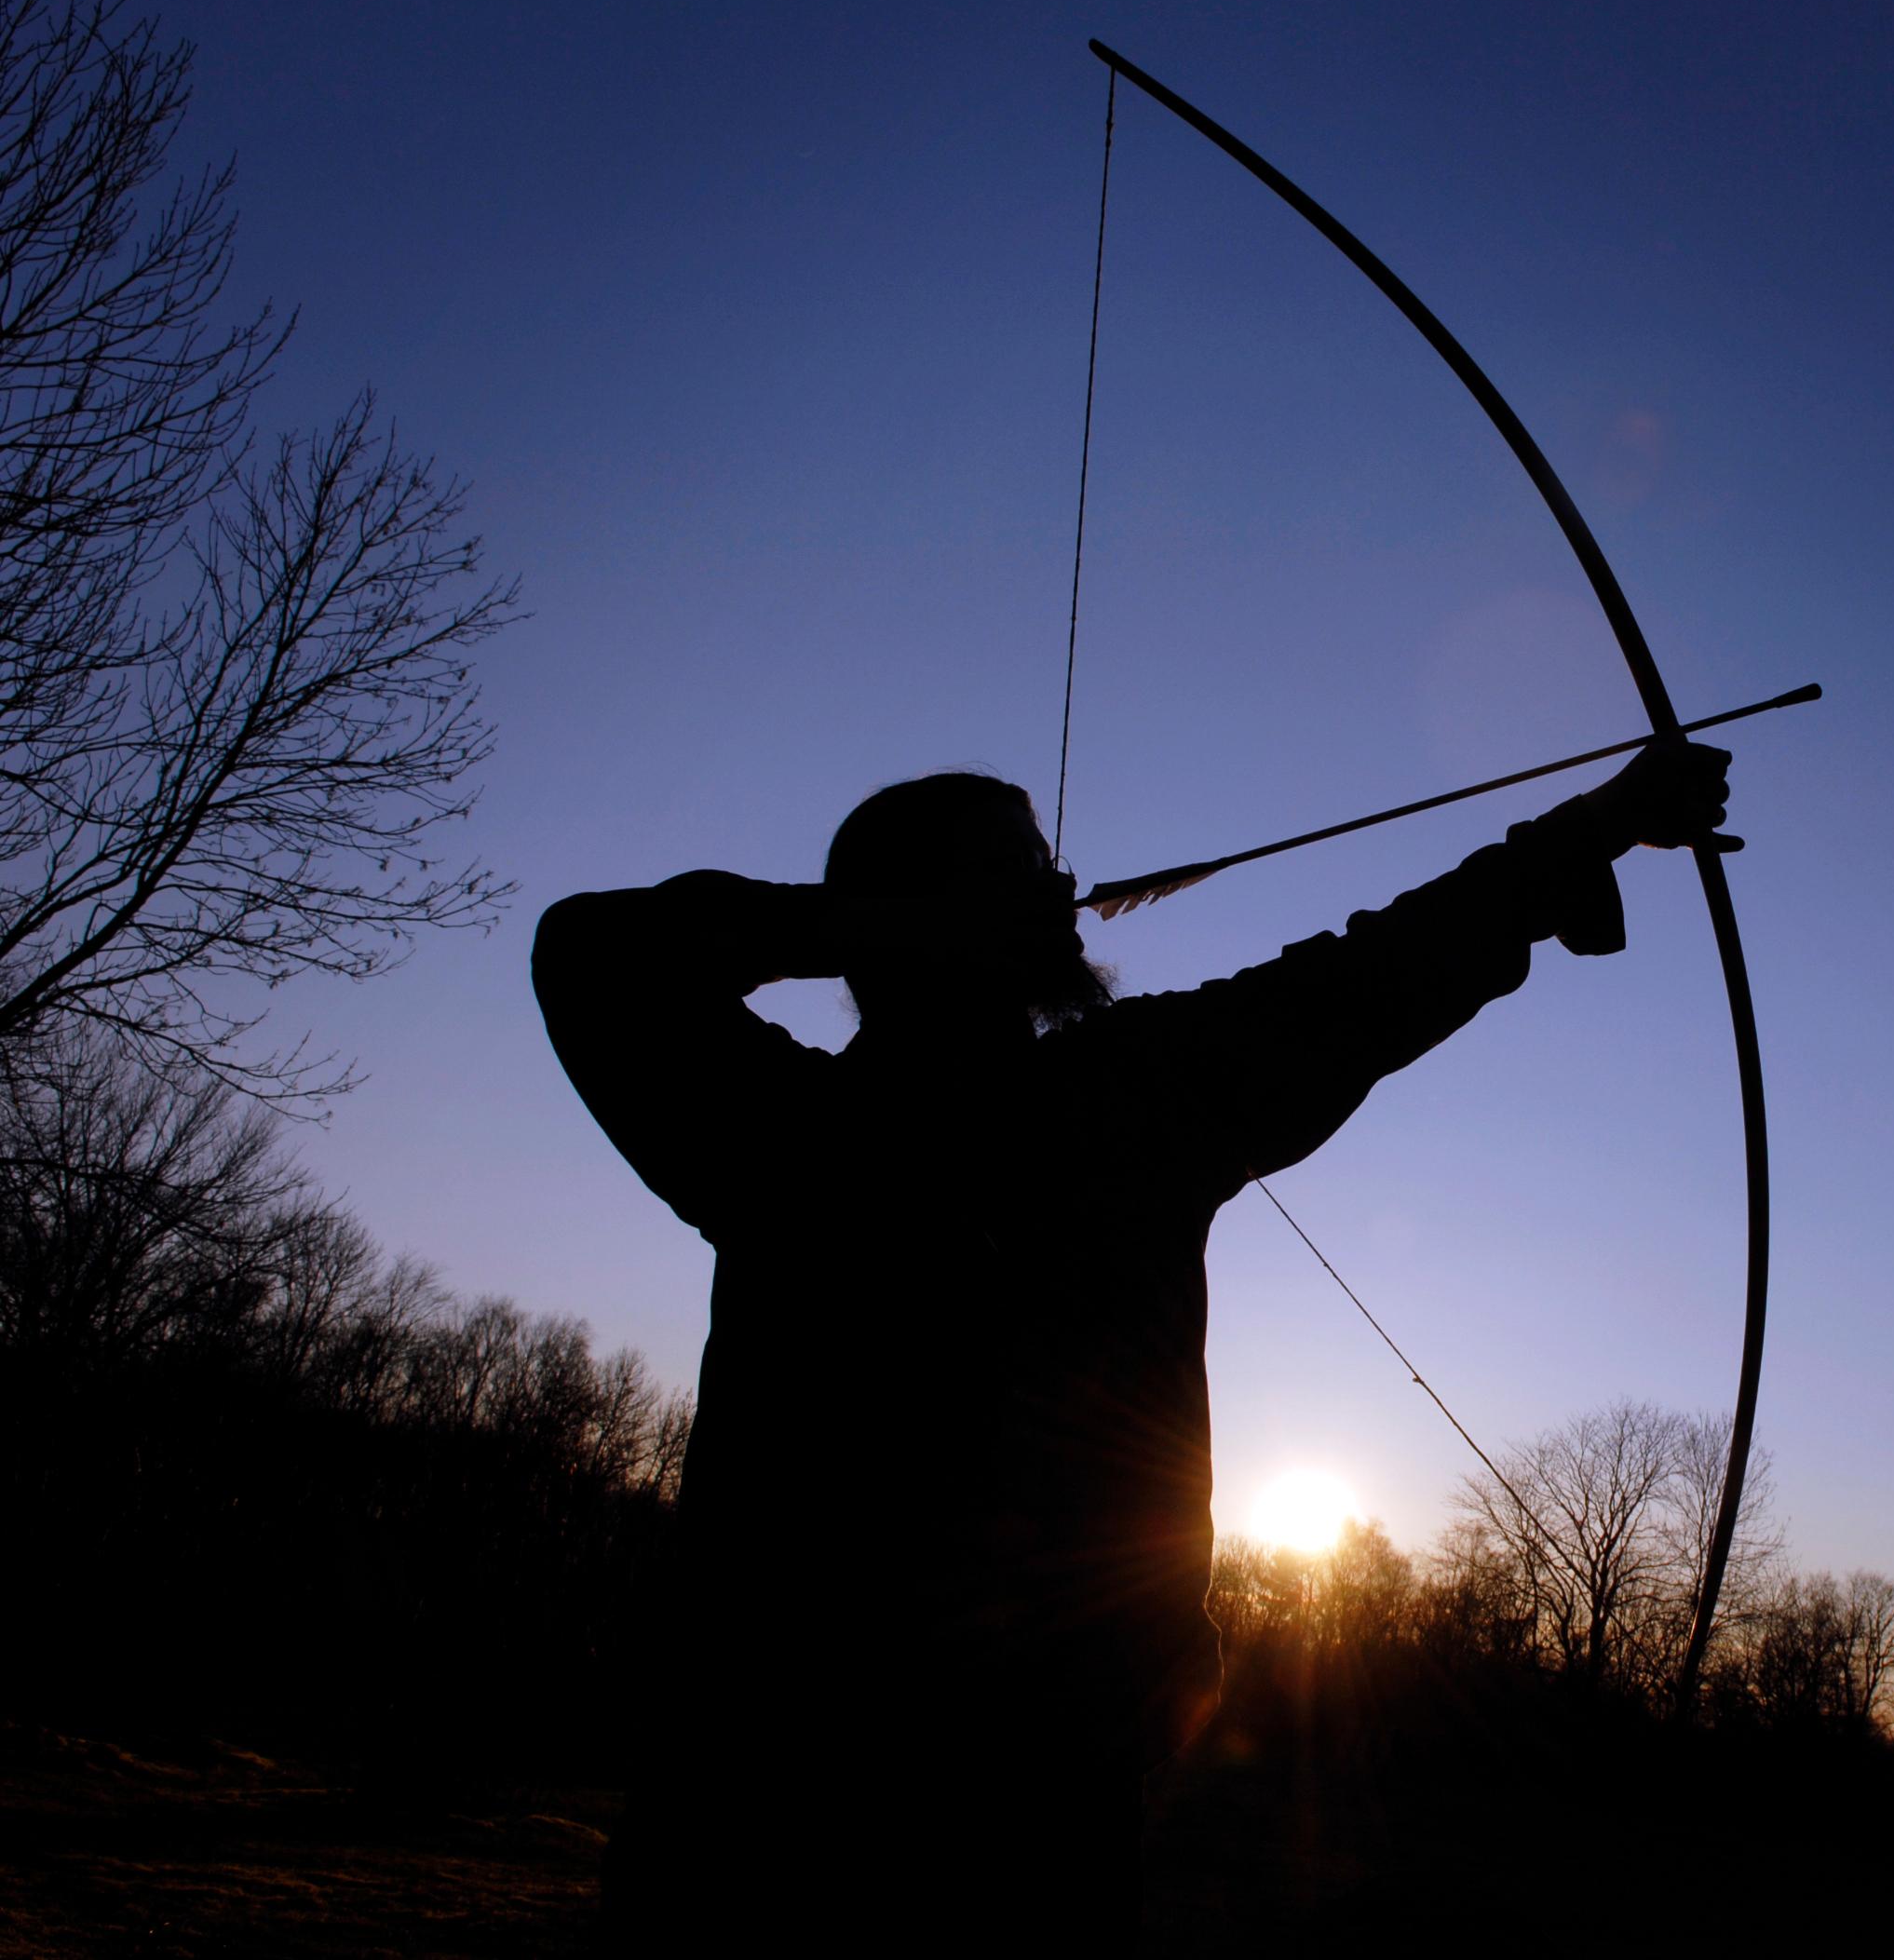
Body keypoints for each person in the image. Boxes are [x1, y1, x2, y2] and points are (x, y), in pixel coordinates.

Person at [532, 738, 1738, 1947]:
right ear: (916, 913)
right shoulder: (820, 1130)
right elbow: (590, 951)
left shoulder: (1079, 1098)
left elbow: (1367, 981)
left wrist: (1585, 834)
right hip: (768, 1813)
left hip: (1017, 1811)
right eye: (1022, 868)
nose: (1062, 890)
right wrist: (889, 923)